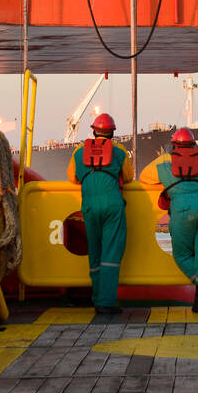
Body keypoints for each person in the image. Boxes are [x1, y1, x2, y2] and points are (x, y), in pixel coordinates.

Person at [140, 128, 198, 314]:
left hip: (182, 211)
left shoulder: (164, 161)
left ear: (173, 144)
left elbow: (144, 177)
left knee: (181, 256)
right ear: (194, 143)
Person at [67, 113, 133, 316]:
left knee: (94, 251)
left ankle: (96, 297)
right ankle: (106, 302)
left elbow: (72, 178)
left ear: (93, 130)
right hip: (112, 204)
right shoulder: (119, 150)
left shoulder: (79, 151)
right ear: (112, 132)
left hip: (89, 205)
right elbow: (129, 177)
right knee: (111, 253)